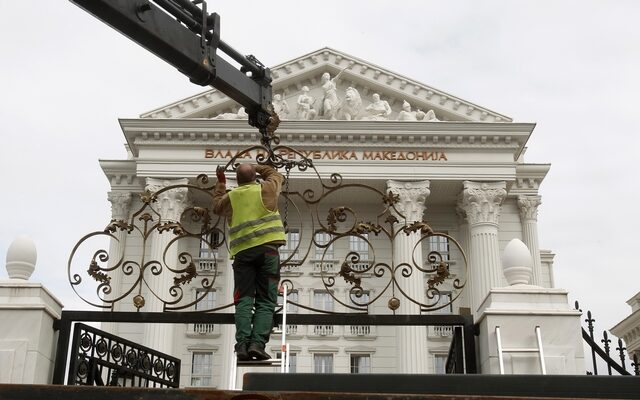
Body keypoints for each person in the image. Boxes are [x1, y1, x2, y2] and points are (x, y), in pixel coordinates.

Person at [212, 163, 286, 361]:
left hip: (243, 255)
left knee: (243, 300)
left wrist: (221, 183)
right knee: (266, 300)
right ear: (255, 176)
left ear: (237, 180)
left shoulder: (232, 196)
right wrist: (257, 165)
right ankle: (257, 344)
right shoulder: (266, 189)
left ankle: (243, 345)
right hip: (268, 253)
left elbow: (217, 206)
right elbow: (275, 174)